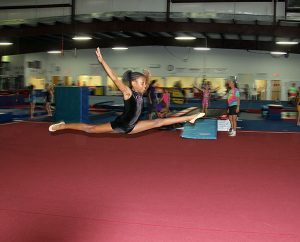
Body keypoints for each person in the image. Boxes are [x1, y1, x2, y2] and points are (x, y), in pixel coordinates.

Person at [49, 47, 205, 134]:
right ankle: (62, 126)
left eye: (145, 83)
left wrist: (147, 78)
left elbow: (145, 86)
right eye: (142, 83)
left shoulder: (139, 93)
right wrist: (102, 61)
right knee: (90, 129)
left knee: (159, 121)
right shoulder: (128, 92)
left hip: (132, 126)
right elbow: (115, 79)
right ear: (133, 83)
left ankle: (189, 118)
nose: (145, 85)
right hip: (121, 125)